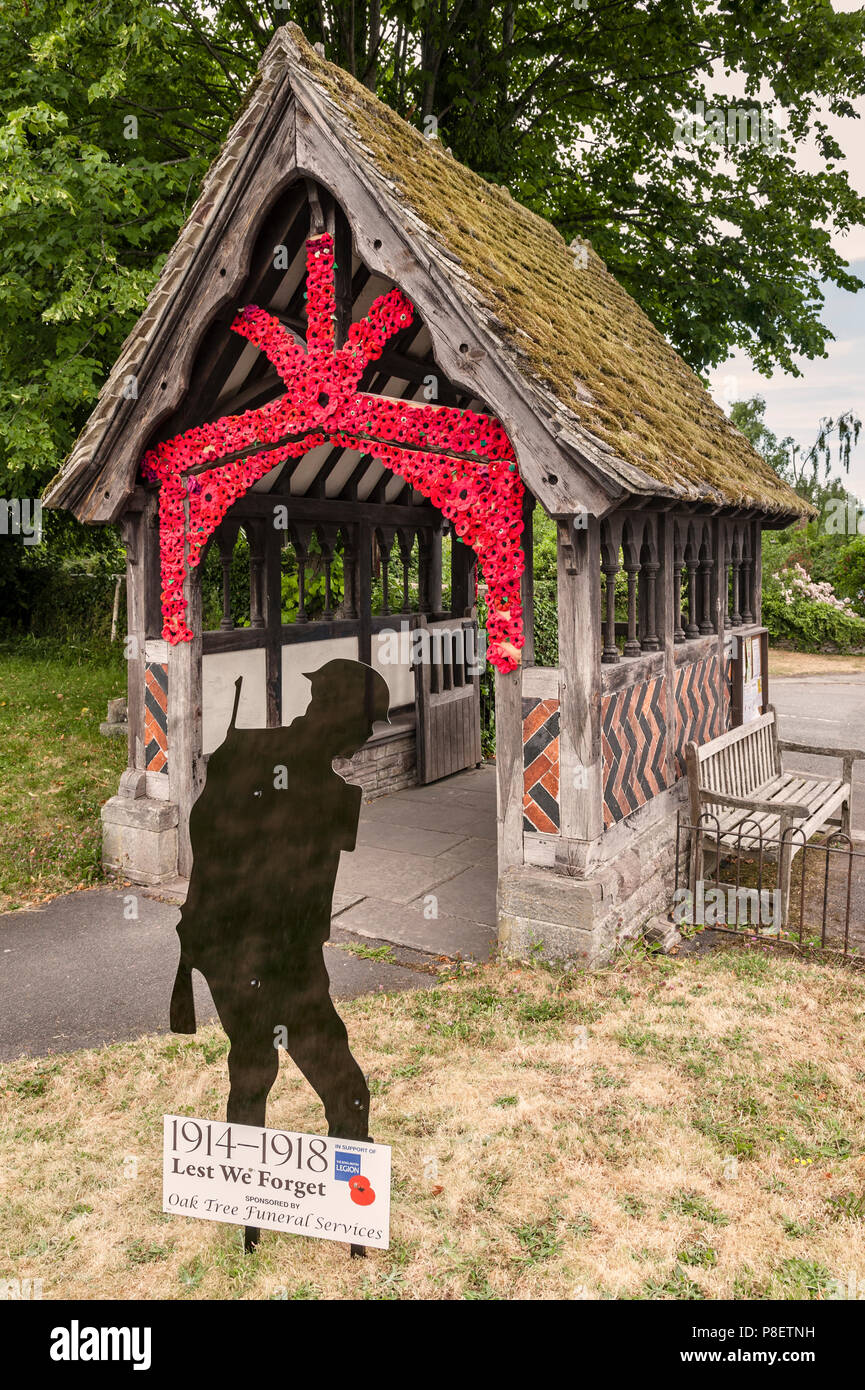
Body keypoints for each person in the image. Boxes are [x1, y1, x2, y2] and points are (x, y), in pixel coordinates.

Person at [169, 658, 390, 1251]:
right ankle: (307, 1219)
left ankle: (288, 1221)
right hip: (256, 955)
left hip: (257, 953)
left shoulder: (269, 760)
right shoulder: (282, 770)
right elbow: (215, 838)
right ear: (338, 714)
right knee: (315, 1079)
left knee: (264, 1073)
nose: (366, 739)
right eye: (363, 724)